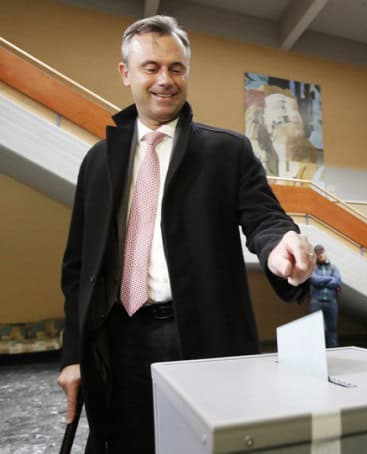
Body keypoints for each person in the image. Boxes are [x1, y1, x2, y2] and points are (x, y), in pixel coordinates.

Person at [56, 16, 315, 454]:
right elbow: (78, 268)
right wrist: (73, 355)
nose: (165, 80)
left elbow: (264, 218)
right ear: (125, 73)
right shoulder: (97, 161)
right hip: (118, 340)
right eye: (151, 67)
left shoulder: (227, 151)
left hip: (203, 337)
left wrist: (280, 245)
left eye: (176, 68)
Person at [309, 244, 342, 347]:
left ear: (325, 252)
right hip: (316, 302)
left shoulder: (333, 267)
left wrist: (322, 281)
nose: (320, 255)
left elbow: (337, 282)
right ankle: (317, 350)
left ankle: (333, 350)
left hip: (331, 302)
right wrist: (330, 279)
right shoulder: (312, 267)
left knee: (332, 328)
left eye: (321, 252)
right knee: (316, 328)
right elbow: (314, 280)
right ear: (315, 255)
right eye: (317, 253)